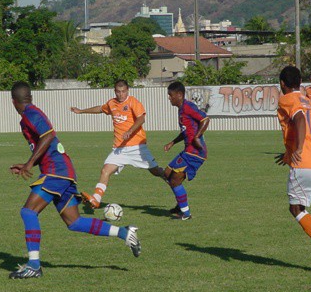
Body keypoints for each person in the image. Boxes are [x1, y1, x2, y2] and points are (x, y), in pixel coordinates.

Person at [8, 81, 141, 279]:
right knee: (74, 222)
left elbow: (48, 136)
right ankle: (124, 233)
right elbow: (45, 145)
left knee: (28, 212)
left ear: (13, 101)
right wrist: (29, 164)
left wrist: (29, 164)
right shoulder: (30, 114)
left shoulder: (30, 114)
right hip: (63, 171)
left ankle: (34, 265)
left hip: (56, 171)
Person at [70, 79, 165, 209]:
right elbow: (101, 109)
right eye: (118, 92)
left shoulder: (133, 102)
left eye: (123, 91)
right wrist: (81, 111)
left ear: (127, 91)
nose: (121, 94)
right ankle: (96, 199)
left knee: (156, 171)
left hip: (137, 147)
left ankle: (173, 180)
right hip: (119, 149)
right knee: (105, 170)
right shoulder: (112, 103)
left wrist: (130, 131)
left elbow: (141, 118)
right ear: (115, 91)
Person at [275, 66, 311, 273]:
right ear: (300, 81)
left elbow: (299, 120)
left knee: (296, 208)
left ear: (283, 83)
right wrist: (288, 153)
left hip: (305, 162)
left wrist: (297, 149)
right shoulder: (309, 100)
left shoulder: (288, 99)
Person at [163, 81, 210, 220]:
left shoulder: (188, 107)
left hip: (195, 152)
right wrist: (172, 142)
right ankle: (180, 204)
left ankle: (186, 213)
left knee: (175, 180)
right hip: (188, 151)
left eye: (171, 95)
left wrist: (197, 137)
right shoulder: (181, 109)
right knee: (167, 173)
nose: (169, 98)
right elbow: (185, 132)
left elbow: (205, 119)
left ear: (179, 95)